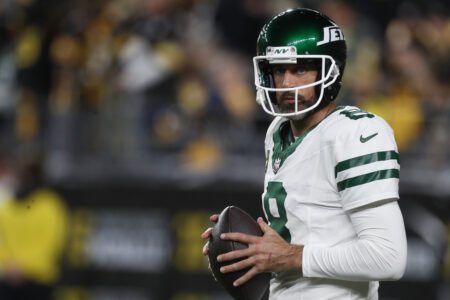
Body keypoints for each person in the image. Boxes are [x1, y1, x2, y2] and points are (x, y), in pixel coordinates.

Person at [201, 8, 407, 300]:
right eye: (278, 69)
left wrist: (289, 257)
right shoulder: (277, 131)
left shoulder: (355, 133)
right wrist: (246, 248)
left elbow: (389, 257)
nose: (286, 84)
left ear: (329, 71)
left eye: (300, 69)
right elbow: (310, 226)